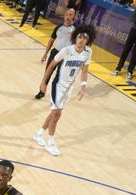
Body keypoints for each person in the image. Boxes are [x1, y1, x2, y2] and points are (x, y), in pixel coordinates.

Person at [33, 24, 95, 156]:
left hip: (69, 87)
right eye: (79, 37)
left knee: (55, 112)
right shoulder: (67, 50)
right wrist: (43, 82)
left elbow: (85, 70)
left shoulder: (88, 52)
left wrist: (83, 85)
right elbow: (52, 65)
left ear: (87, 41)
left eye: (84, 38)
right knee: (57, 114)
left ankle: (39, 133)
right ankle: (50, 143)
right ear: (75, 38)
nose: (81, 40)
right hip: (58, 85)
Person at [35, 8, 76, 99]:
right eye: (67, 14)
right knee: (47, 73)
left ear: (74, 16)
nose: (68, 16)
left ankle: (56, 95)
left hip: (66, 55)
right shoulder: (59, 27)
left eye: (70, 15)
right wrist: (45, 54)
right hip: (55, 52)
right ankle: (42, 91)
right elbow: (51, 40)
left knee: (59, 76)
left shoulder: (76, 29)